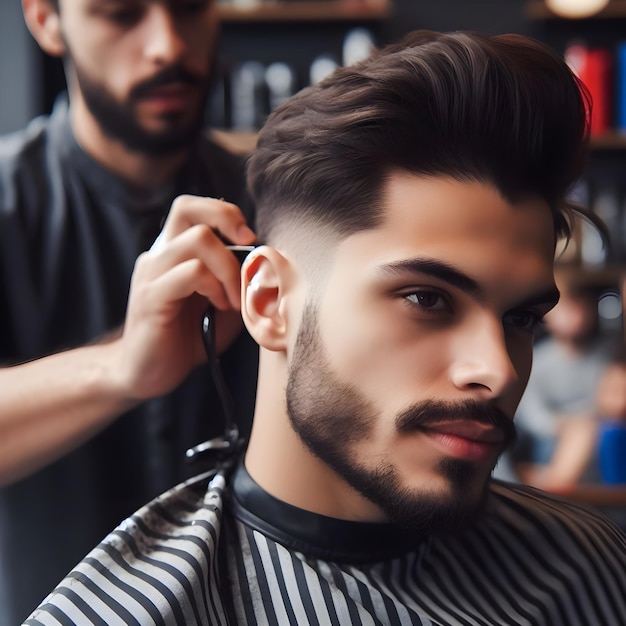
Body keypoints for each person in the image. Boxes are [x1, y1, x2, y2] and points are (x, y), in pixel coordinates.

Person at [26, 29, 626, 625]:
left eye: (520, 317)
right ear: (268, 302)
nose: (496, 370)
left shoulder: (592, 571)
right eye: (427, 299)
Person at [0, 0, 258, 622]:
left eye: (192, 8)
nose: (167, 46)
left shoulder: (276, 206)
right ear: (46, 20)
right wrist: (121, 368)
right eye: (121, 13)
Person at [509, 268, 616, 490]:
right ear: (547, 315)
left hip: (596, 430)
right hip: (551, 437)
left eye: (580, 307)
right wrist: (560, 425)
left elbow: (612, 399)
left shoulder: (609, 353)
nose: (574, 316)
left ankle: (552, 487)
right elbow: (529, 412)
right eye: (565, 309)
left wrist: (583, 421)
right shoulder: (539, 358)